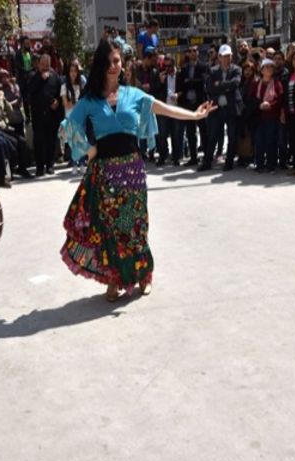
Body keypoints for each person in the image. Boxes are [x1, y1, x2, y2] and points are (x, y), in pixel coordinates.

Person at [60, 40, 216, 301]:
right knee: (110, 229)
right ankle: (114, 279)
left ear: (123, 64)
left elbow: (164, 109)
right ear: (101, 65)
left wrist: (195, 116)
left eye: (117, 61)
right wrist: (90, 151)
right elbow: (67, 126)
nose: (114, 66)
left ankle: (144, 274)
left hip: (132, 172)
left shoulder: (134, 95)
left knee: (135, 226)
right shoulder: (90, 100)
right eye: (109, 62)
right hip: (105, 174)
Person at [201, 44, 242, 172]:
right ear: (219, 57)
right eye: (224, 56)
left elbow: (235, 83)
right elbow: (210, 88)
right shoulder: (213, 71)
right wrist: (226, 87)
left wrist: (220, 85)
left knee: (231, 136)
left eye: (228, 56)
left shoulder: (236, 69)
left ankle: (229, 162)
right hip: (217, 109)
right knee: (212, 136)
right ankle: (207, 162)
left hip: (231, 108)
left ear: (231, 56)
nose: (226, 59)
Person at [0, 81, 33, 179]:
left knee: (22, 141)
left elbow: (10, 112)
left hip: (6, 128)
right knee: (12, 143)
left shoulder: (0, 100)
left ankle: (22, 168)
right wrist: (0, 100)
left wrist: (4, 100)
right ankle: (11, 170)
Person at [28, 54, 63, 176]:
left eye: (47, 65)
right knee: (39, 141)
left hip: (52, 115)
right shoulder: (33, 76)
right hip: (38, 115)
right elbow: (29, 93)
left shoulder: (55, 77)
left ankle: (50, 165)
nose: (45, 67)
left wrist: (57, 102)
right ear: (38, 64)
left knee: (51, 141)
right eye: (43, 65)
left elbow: (60, 93)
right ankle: (39, 167)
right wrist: (40, 79)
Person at [177, 46, 210, 167]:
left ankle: (207, 157)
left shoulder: (203, 66)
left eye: (194, 51)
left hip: (200, 102)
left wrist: (189, 81)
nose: (192, 53)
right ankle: (193, 157)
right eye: (190, 51)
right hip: (188, 103)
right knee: (190, 132)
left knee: (203, 130)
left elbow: (203, 82)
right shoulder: (184, 68)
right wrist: (190, 82)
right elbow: (181, 84)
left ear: (198, 52)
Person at [251, 59, 284, 173]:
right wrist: (260, 105)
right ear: (262, 70)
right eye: (266, 67)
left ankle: (271, 165)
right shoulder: (256, 84)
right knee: (259, 141)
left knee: (271, 141)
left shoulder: (276, 83)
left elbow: (280, 99)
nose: (269, 69)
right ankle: (259, 164)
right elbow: (251, 99)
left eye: (271, 67)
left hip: (272, 117)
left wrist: (270, 104)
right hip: (259, 117)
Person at [61, 59, 87, 173]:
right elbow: (66, 104)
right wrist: (76, 102)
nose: (73, 73)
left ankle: (82, 163)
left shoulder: (81, 84)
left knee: (81, 141)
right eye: (71, 71)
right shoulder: (64, 86)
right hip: (70, 117)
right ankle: (74, 164)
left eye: (75, 71)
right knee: (72, 142)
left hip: (81, 117)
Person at [155, 57, 182, 166]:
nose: (167, 68)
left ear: (174, 65)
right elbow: (155, 91)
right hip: (164, 109)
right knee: (162, 135)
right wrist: (161, 83)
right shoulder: (161, 76)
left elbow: (184, 88)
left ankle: (176, 157)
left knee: (176, 135)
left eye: (169, 66)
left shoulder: (179, 75)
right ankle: (163, 156)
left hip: (176, 108)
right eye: (165, 66)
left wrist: (178, 95)